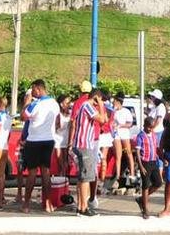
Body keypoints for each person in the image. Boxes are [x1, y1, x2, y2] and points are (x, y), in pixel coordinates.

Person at [20, 79, 61, 213]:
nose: (32, 92)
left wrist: (26, 102)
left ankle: (26, 204)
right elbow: (58, 122)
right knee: (46, 172)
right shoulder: (54, 103)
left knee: (32, 172)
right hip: (49, 140)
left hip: (33, 140)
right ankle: (48, 204)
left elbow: (23, 117)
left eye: (33, 89)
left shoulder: (35, 104)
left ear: (38, 89)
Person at [71, 87, 108, 216]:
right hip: (84, 144)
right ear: (96, 97)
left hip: (85, 144)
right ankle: (83, 207)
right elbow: (102, 119)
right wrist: (101, 105)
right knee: (86, 177)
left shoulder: (86, 106)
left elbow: (105, 120)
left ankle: (81, 206)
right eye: (100, 100)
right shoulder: (87, 106)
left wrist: (101, 106)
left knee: (83, 177)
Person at [135, 116, 163, 219]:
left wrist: (162, 159)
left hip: (153, 162)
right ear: (145, 126)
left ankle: (142, 199)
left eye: (152, 127)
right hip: (145, 163)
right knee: (146, 185)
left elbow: (156, 149)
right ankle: (145, 209)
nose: (150, 129)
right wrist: (141, 166)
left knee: (158, 183)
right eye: (149, 127)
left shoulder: (154, 135)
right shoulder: (140, 136)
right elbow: (137, 152)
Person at [112, 94, 137, 191]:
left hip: (124, 134)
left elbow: (130, 123)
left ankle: (132, 174)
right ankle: (117, 177)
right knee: (118, 156)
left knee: (128, 153)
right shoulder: (113, 112)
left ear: (118, 103)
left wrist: (121, 126)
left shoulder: (125, 111)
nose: (113, 103)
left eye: (114, 102)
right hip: (116, 135)